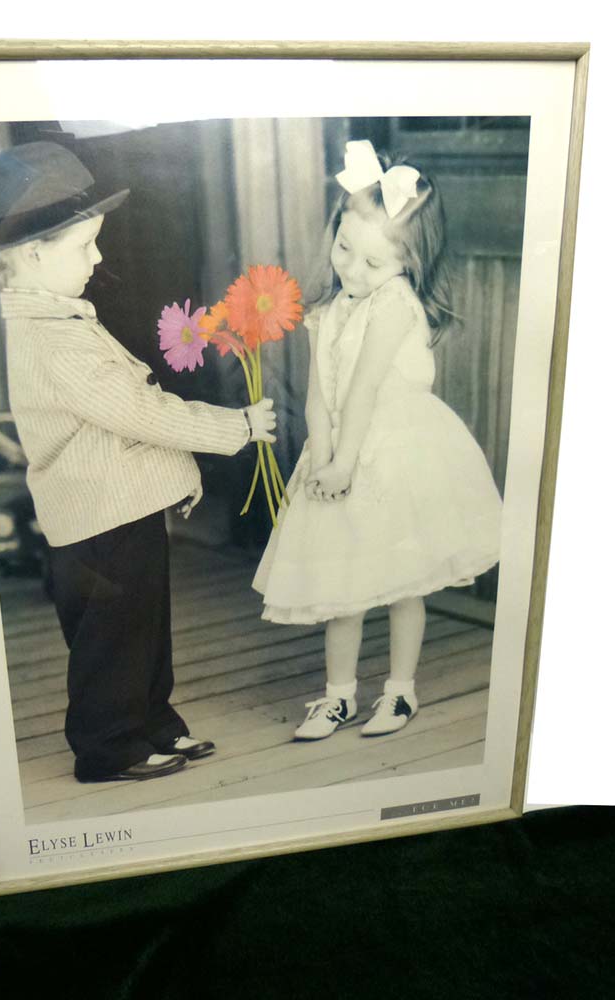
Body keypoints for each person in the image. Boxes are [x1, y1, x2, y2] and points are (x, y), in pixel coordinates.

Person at [0, 141, 276, 781]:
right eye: (85, 246)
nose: (99, 258)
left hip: (117, 508)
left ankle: (152, 722)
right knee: (112, 638)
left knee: (143, 626)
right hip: (96, 523)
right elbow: (137, 411)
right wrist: (235, 427)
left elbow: (121, 427)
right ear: (33, 254)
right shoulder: (54, 338)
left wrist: (177, 473)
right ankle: (108, 746)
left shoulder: (61, 317)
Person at [252, 139, 502, 741]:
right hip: (339, 452)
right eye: (344, 249)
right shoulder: (329, 309)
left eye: (373, 262)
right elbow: (321, 395)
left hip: (393, 452)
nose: (352, 270)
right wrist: (323, 461)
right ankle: (338, 697)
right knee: (344, 590)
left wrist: (345, 463)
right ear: (335, 230)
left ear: (409, 262)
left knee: (402, 583)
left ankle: (400, 691)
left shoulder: (393, 305)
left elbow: (364, 389)